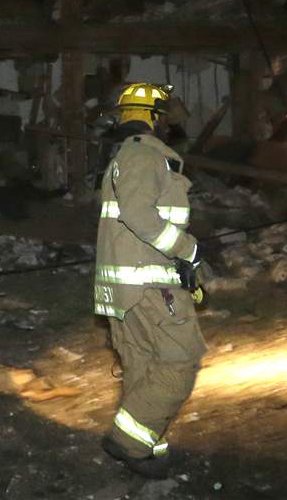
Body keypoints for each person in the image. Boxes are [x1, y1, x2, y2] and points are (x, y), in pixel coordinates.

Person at [94, 83, 207, 478]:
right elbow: (141, 217)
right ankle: (128, 441)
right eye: (165, 117)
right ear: (155, 117)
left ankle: (145, 444)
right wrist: (187, 249)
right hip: (148, 285)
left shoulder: (126, 156)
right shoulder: (144, 155)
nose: (170, 125)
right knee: (180, 361)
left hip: (131, 285)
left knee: (143, 363)